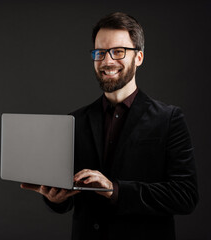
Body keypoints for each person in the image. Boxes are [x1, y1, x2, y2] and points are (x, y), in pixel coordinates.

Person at [21, 12, 198, 240]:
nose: (107, 61)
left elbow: (185, 196)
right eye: (100, 53)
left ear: (139, 57)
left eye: (118, 51)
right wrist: (55, 199)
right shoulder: (75, 120)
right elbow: (70, 201)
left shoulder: (169, 118)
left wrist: (114, 190)